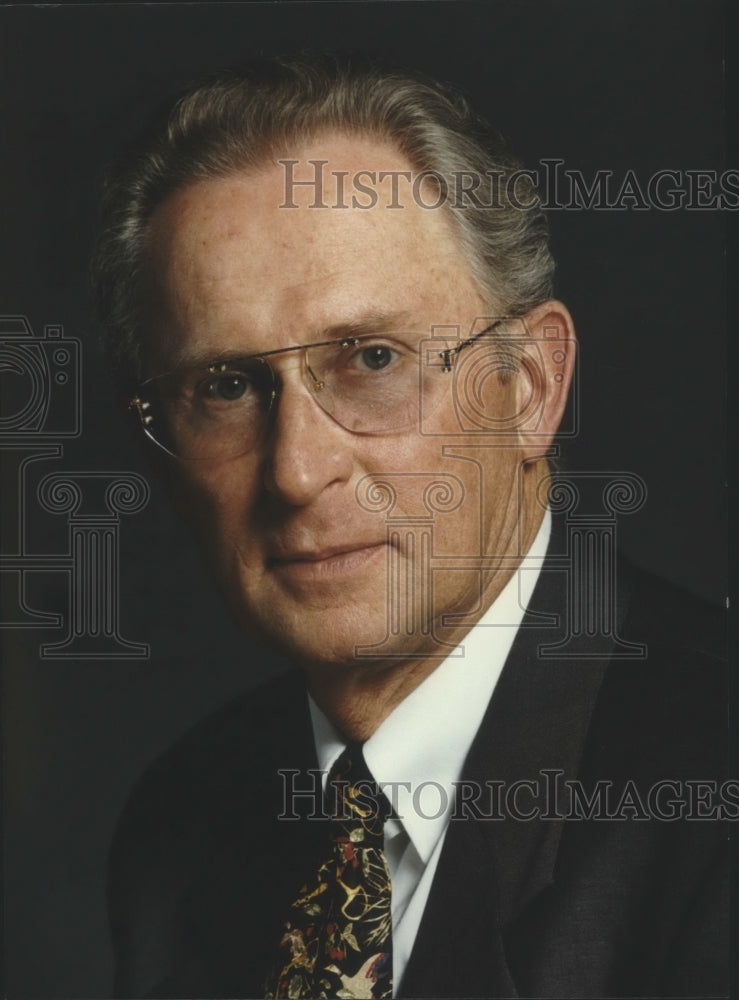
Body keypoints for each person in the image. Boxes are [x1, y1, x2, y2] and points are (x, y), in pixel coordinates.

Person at [94, 54, 729, 999]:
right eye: (225, 386)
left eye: (373, 359)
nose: (299, 471)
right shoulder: (180, 824)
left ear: (532, 385)